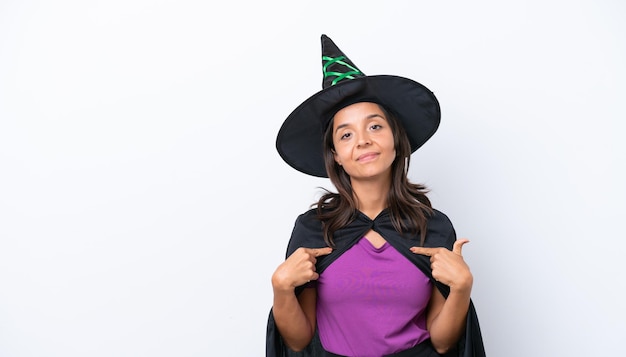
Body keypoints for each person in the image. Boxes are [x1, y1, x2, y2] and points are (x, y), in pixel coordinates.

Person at [266, 35, 485, 357]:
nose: (363, 141)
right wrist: (281, 288)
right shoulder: (315, 229)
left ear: (397, 139)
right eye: (346, 134)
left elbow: (442, 342)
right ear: (336, 155)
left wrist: (462, 288)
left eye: (375, 127)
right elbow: (298, 341)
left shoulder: (432, 227)